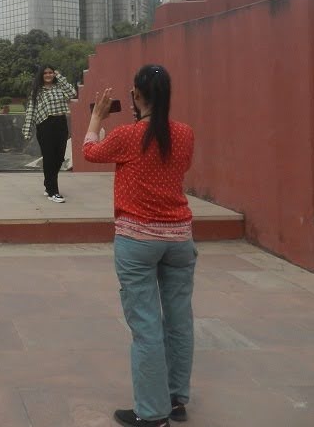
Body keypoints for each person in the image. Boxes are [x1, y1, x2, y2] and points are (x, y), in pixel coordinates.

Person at [82, 64, 196, 427]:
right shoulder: (185, 134)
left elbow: (90, 151)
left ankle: (151, 412)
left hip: (137, 240)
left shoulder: (129, 136)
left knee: (146, 327)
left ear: (136, 96)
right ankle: (176, 399)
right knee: (179, 321)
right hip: (179, 237)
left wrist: (96, 119)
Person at [22, 64, 76, 202]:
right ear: (41, 75)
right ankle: (53, 192)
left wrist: (60, 76)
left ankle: (48, 183)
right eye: (45, 73)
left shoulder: (60, 87)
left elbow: (73, 93)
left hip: (61, 124)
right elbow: (31, 111)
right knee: (49, 158)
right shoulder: (37, 92)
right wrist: (27, 130)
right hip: (45, 126)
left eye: (51, 72)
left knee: (59, 157)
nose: (48, 75)